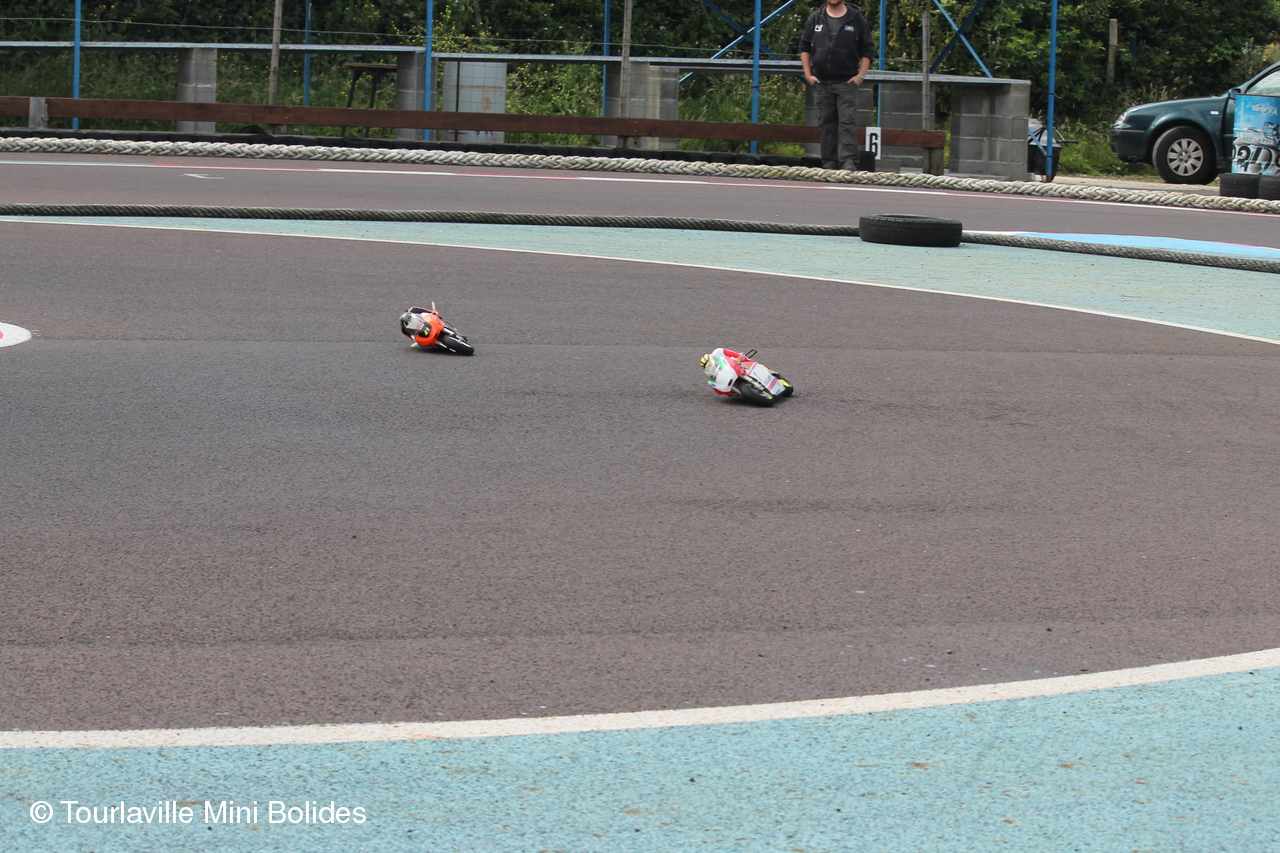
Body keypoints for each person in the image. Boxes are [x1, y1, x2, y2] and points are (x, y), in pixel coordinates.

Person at [799, 0, 875, 171]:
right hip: (821, 82)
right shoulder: (815, 18)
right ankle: (829, 163)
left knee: (847, 123)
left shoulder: (856, 18)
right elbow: (804, 47)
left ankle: (848, 163)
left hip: (846, 82)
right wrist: (808, 74)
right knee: (826, 124)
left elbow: (868, 49)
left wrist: (860, 76)